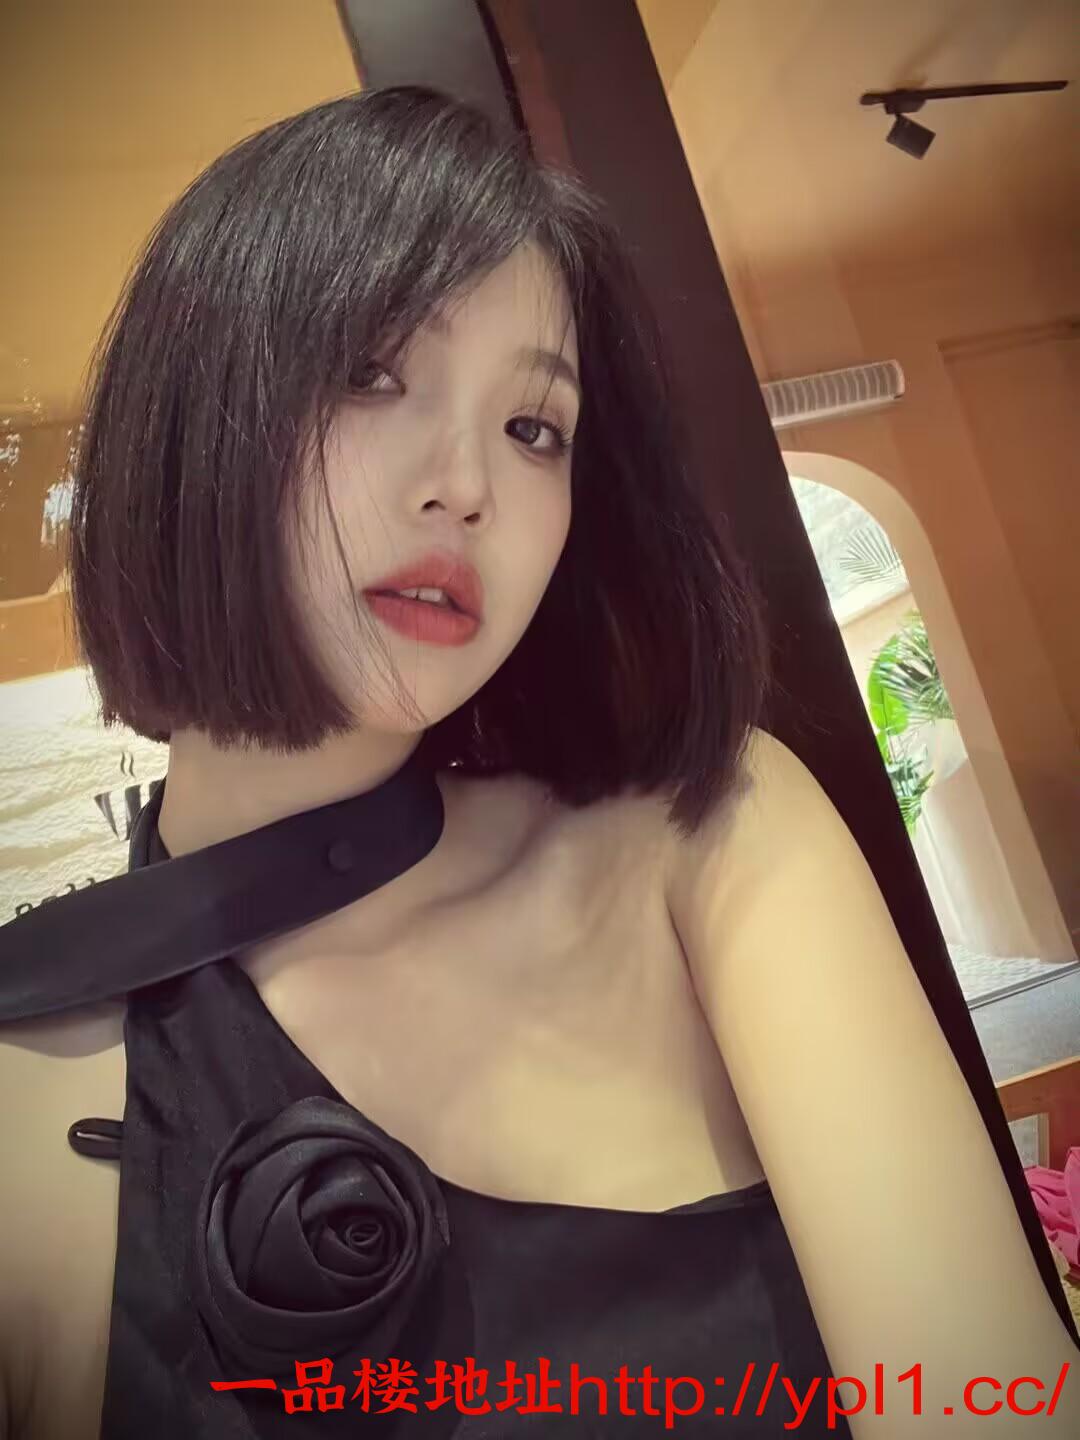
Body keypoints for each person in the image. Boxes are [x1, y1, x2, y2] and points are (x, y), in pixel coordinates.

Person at [0, 87, 1075, 1440]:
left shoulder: (706, 844)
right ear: (194, 413)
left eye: (534, 430)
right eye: (371, 371)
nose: (469, 486)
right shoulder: (35, 1082)